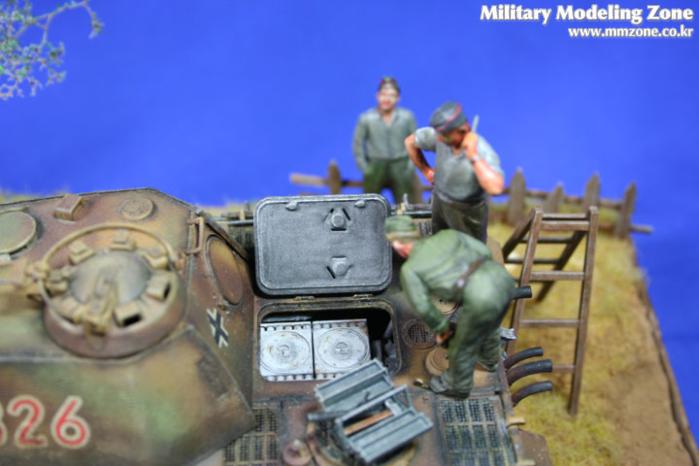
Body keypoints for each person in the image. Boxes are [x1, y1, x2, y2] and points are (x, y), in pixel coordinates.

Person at [385, 215, 516, 398]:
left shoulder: (410, 270)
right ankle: (491, 361)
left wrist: (442, 330)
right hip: (501, 281)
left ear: (398, 244)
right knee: (490, 326)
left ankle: (455, 387)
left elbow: (424, 307)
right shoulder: (447, 235)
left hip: (480, 297)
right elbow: (482, 250)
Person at [404, 102, 504, 242]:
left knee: (471, 249)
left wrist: (473, 155)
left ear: (462, 130)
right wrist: (426, 171)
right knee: (439, 241)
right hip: (440, 202)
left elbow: (496, 187)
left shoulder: (482, 151)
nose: (439, 138)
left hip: (467, 211)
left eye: (444, 135)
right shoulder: (440, 137)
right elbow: (410, 142)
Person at [352, 77, 420, 204]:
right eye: (383, 94)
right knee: (369, 203)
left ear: (398, 98)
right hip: (375, 165)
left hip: (400, 165)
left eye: (392, 95)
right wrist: (365, 168)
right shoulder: (366, 118)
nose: (387, 99)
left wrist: (410, 167)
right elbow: (358, 144)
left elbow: (415, 142)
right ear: (377, 96)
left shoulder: (407, 117)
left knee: (405, 203)